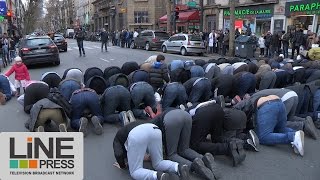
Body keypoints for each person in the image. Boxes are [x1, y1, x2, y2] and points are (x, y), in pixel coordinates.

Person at [151, 109, 218, 179]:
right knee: (185, 149)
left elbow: (154, 139)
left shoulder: (151, 124)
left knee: (172, 155)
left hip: (172, 119)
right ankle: (203, 158)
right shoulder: (163, 113)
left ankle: (193, 165)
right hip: (186, 115)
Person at [113, 122, 190, 180]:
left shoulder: (118, 138)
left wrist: (122, 165)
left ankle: (157, 176)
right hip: (154, 128)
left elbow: (118, 154)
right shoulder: (133, 126)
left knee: (135, 171)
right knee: (158, 162)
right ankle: (179, 166)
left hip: (137, 134)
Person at [234, 95, 305, 156]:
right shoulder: (249, 100)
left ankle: (293, 137)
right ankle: (296, 133)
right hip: (279, 103)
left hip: (267, 106)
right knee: (279, 129)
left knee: (262, 137)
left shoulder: (236, 108)